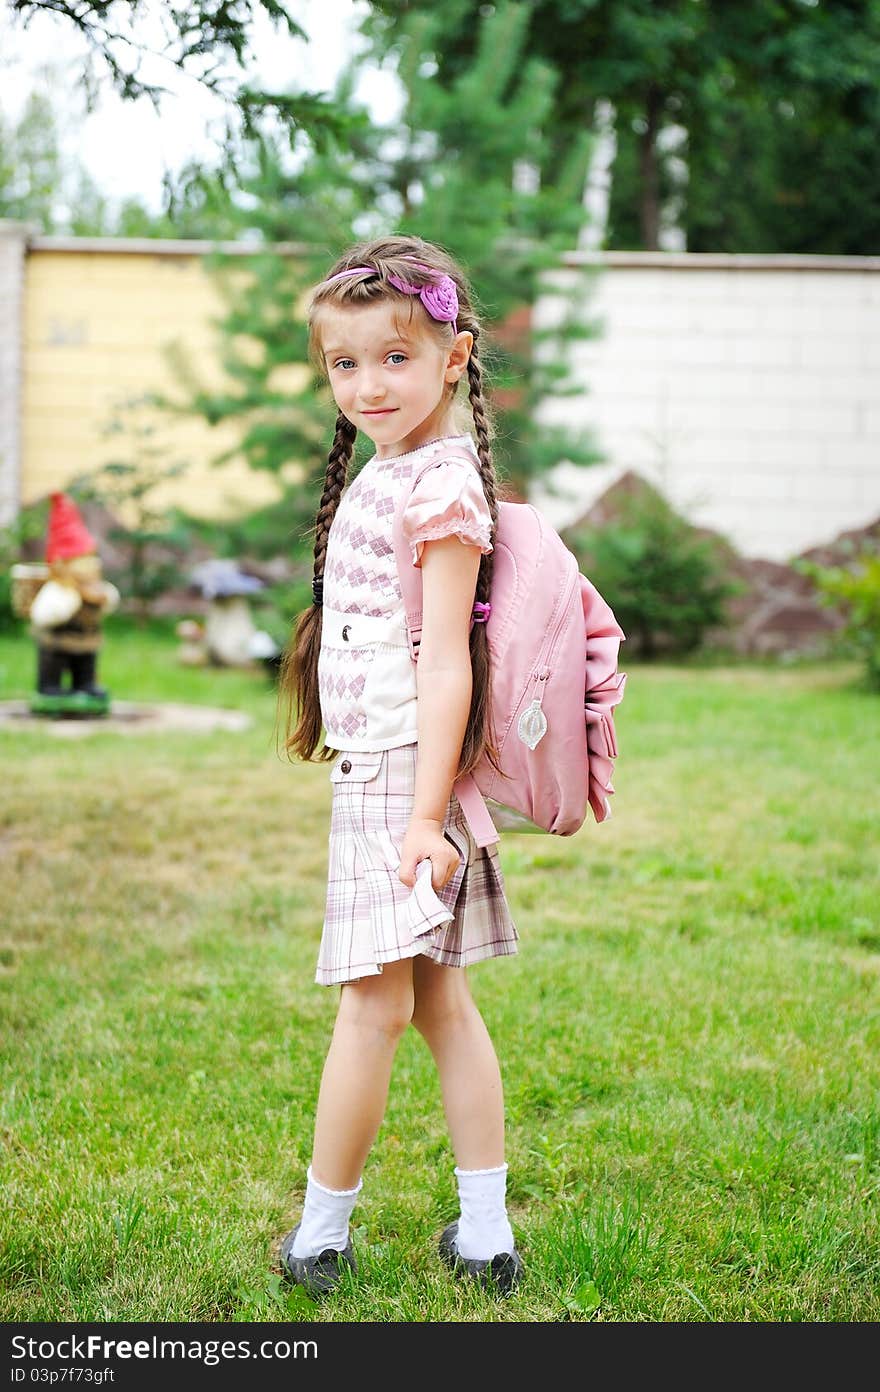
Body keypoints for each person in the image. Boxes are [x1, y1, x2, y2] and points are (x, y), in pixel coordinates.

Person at [274, 234, 523, 1298]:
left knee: (371, 1011)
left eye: (395, 358)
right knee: (437, 1008)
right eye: (344, 364)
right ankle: (483, 1234)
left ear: (454, 358)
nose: (367, 384)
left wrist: (424, 817)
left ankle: (319, 1239)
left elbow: (447, 670)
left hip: (402, 783)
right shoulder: (398, 471)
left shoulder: (440, 485)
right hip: (393, 772)